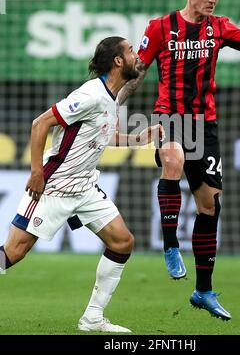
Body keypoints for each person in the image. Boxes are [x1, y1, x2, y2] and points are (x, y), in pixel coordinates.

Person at [117, 0, 240, 321]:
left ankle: (204, 290)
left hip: (205, 124)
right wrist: (111, 103)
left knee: (210, 206)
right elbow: (138, 76)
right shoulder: (161, 27)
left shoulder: (220, 27)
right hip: (169, 116)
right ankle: (169, 247)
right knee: (173, 159)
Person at [0, 36, 164, 333]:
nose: (136, 55)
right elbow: (41, 123)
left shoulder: (111, 97)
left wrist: (138, 139)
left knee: (122, 241)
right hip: (54, 186)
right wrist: (37, 172)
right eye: (130, 51)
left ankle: (92, 319)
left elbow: (101, 135)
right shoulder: (90, 95)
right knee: (13, 252)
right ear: (117, 61)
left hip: (85, 188)